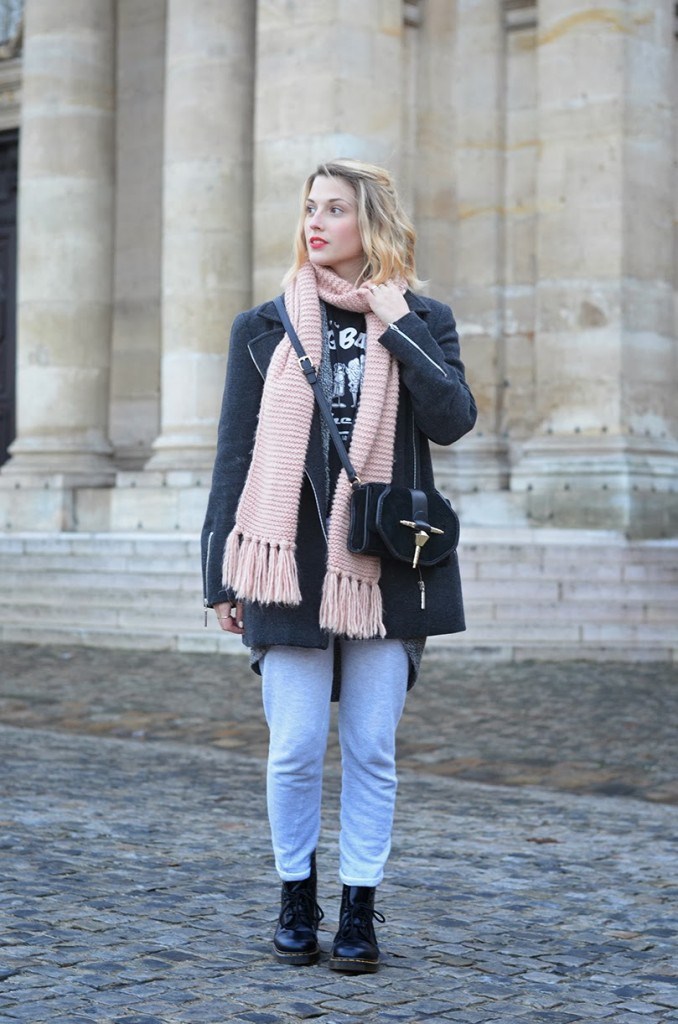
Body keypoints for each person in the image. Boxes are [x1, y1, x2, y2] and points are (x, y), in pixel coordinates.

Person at [201, 158, 477, 972]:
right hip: (286, 560)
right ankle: (297, 894)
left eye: (334, 209)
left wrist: (399, 325)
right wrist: (221, 573)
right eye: (309, 208)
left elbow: (453, 419)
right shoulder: (264, 326)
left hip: (384, 562)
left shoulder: (423, 317)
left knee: (370, 747)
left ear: (371, 224)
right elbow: (234, 453)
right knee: (293, 747)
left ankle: (359, 905)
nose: (315, 223)